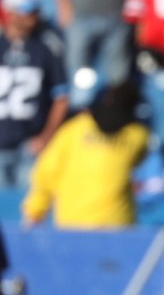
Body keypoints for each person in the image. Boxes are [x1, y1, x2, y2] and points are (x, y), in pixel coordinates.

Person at [21, 81, 148, 229]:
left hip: (72, 223)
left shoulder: (75, 129)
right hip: (118, 224)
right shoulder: (138, 136)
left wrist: (35, 210)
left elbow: (47, 171)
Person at [0, 0, 68, 189]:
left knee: (28, 208)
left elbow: (61, 97)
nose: (33, 16)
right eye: (26, 10)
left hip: (29, 144)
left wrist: (46, 136)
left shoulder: (46, 46)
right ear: (10, 12)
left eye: (34, 10)